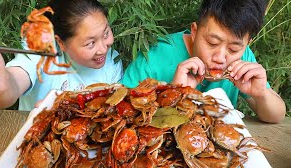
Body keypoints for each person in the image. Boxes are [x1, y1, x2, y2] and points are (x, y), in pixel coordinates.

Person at [121, 0, 286, 123]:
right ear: (194, 31)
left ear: (246, 45)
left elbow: (276, 116)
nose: (220, 58)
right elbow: (120, 115)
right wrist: (173, 93)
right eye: (212, 43)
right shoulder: (153, 58)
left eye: (234, 49)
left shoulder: (244, 59)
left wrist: (261, 94)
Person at [0, 0, 123, 111]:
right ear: (61, 43)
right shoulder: (41, 49)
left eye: (106, 33)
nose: (103, 49)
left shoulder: (112, 61)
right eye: (90, 43)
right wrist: (1, 85)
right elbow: (14, 83)